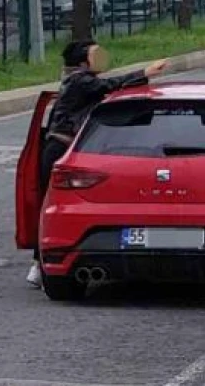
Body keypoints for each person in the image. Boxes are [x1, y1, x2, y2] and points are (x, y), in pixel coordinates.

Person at [27, 40, 168, 287]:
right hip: (60, 148)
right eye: (96, 54)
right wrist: (144, 73)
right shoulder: (79, 81)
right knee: (50, 205)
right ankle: (42, 262)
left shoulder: (80, 80)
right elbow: (107, 85)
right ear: (83, 61)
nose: (103, 58)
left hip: (65, 147)